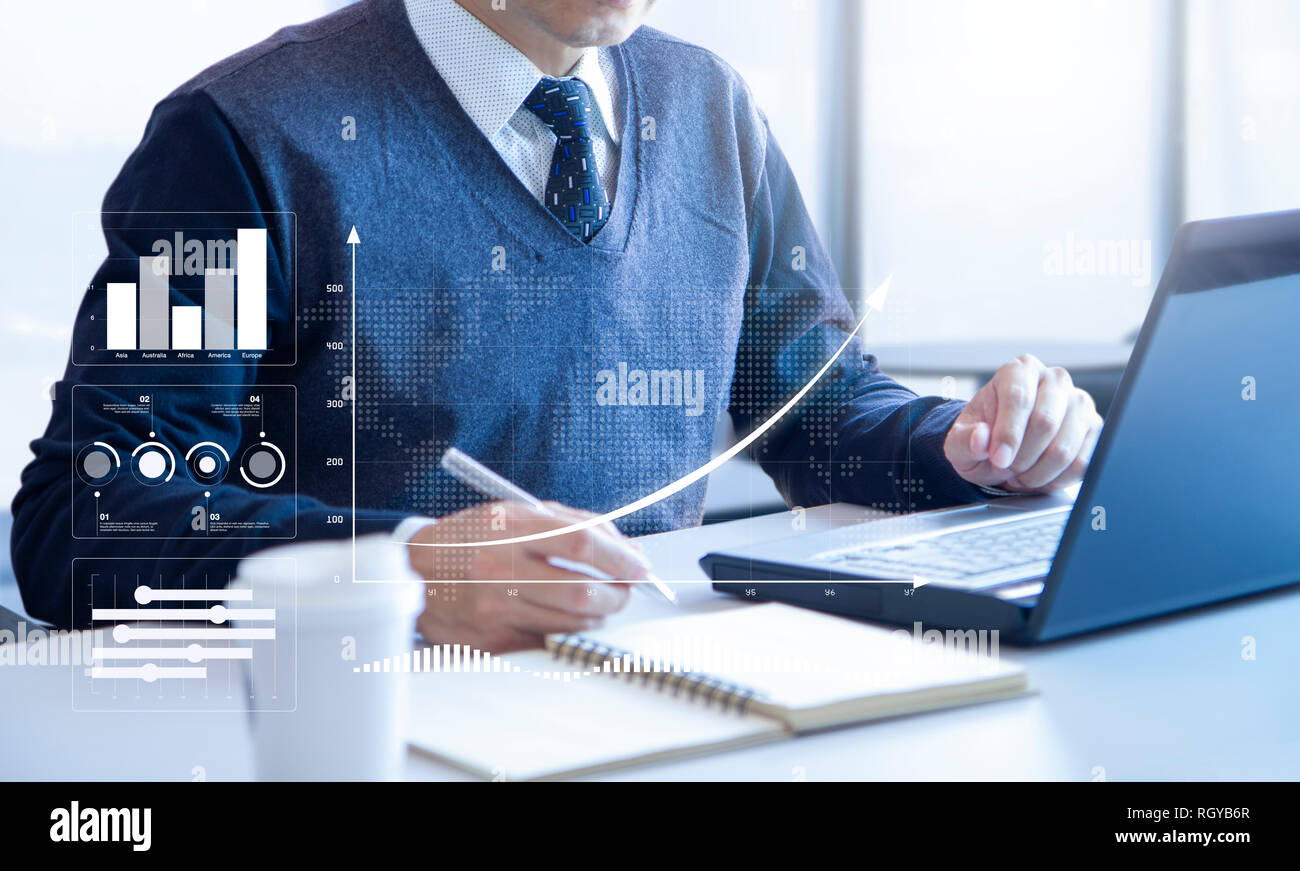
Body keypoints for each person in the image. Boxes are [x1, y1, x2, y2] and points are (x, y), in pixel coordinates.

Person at [10, 0, 1101, 650]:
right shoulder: (237, 138)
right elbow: (83, 522)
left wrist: (973, 448)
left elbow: (819, 416)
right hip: (364, 724)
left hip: (658, 702)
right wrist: (400, 572)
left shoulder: (711, 105)